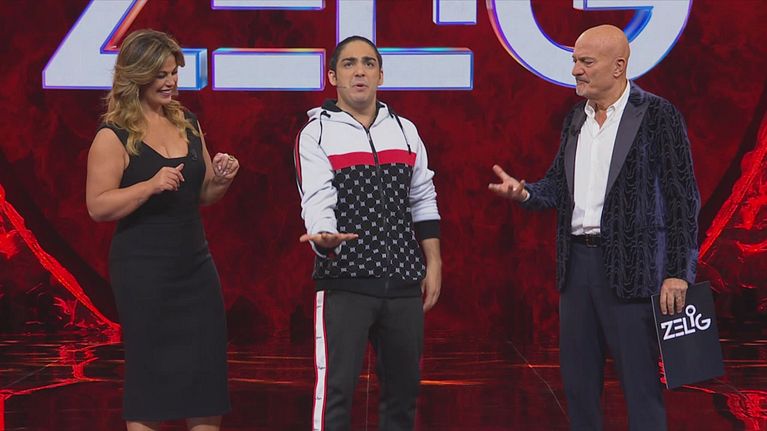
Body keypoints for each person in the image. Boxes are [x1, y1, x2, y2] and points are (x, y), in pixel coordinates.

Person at [489, 25, 700, 431]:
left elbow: (683, 199)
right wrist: (525, 192)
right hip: (576, 270)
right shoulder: (576, 119)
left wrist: (678, 272)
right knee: (579, 388)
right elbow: (558, 184)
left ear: (618, 66)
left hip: (633, 273)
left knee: (640, 387)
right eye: (575, 61)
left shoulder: (658, 115)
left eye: (585, 62)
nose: (575, 71)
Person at [85, 29, 238, 431]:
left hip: (195, 266)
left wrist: (221, 179)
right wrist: (148, 186)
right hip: (143, 270)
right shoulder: (112, 135)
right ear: (137, 76)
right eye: (161, 74)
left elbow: (203, 194)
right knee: (150, 376)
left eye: (173, 73)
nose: (170, 82)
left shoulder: (187, 123)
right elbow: (98, 206)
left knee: (205, 374)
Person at [293, 35, 442, 431]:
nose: (359, 71)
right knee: (337, 393)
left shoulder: (405, 130)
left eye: (368, 63)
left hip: (404, 283)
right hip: (346, 282)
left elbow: (422, 197)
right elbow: (316, 198)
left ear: (380, 75)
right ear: (333, 77)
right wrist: (324, 236)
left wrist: (434, 262)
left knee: (403, 395)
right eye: (349, 64)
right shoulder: (316, 133)